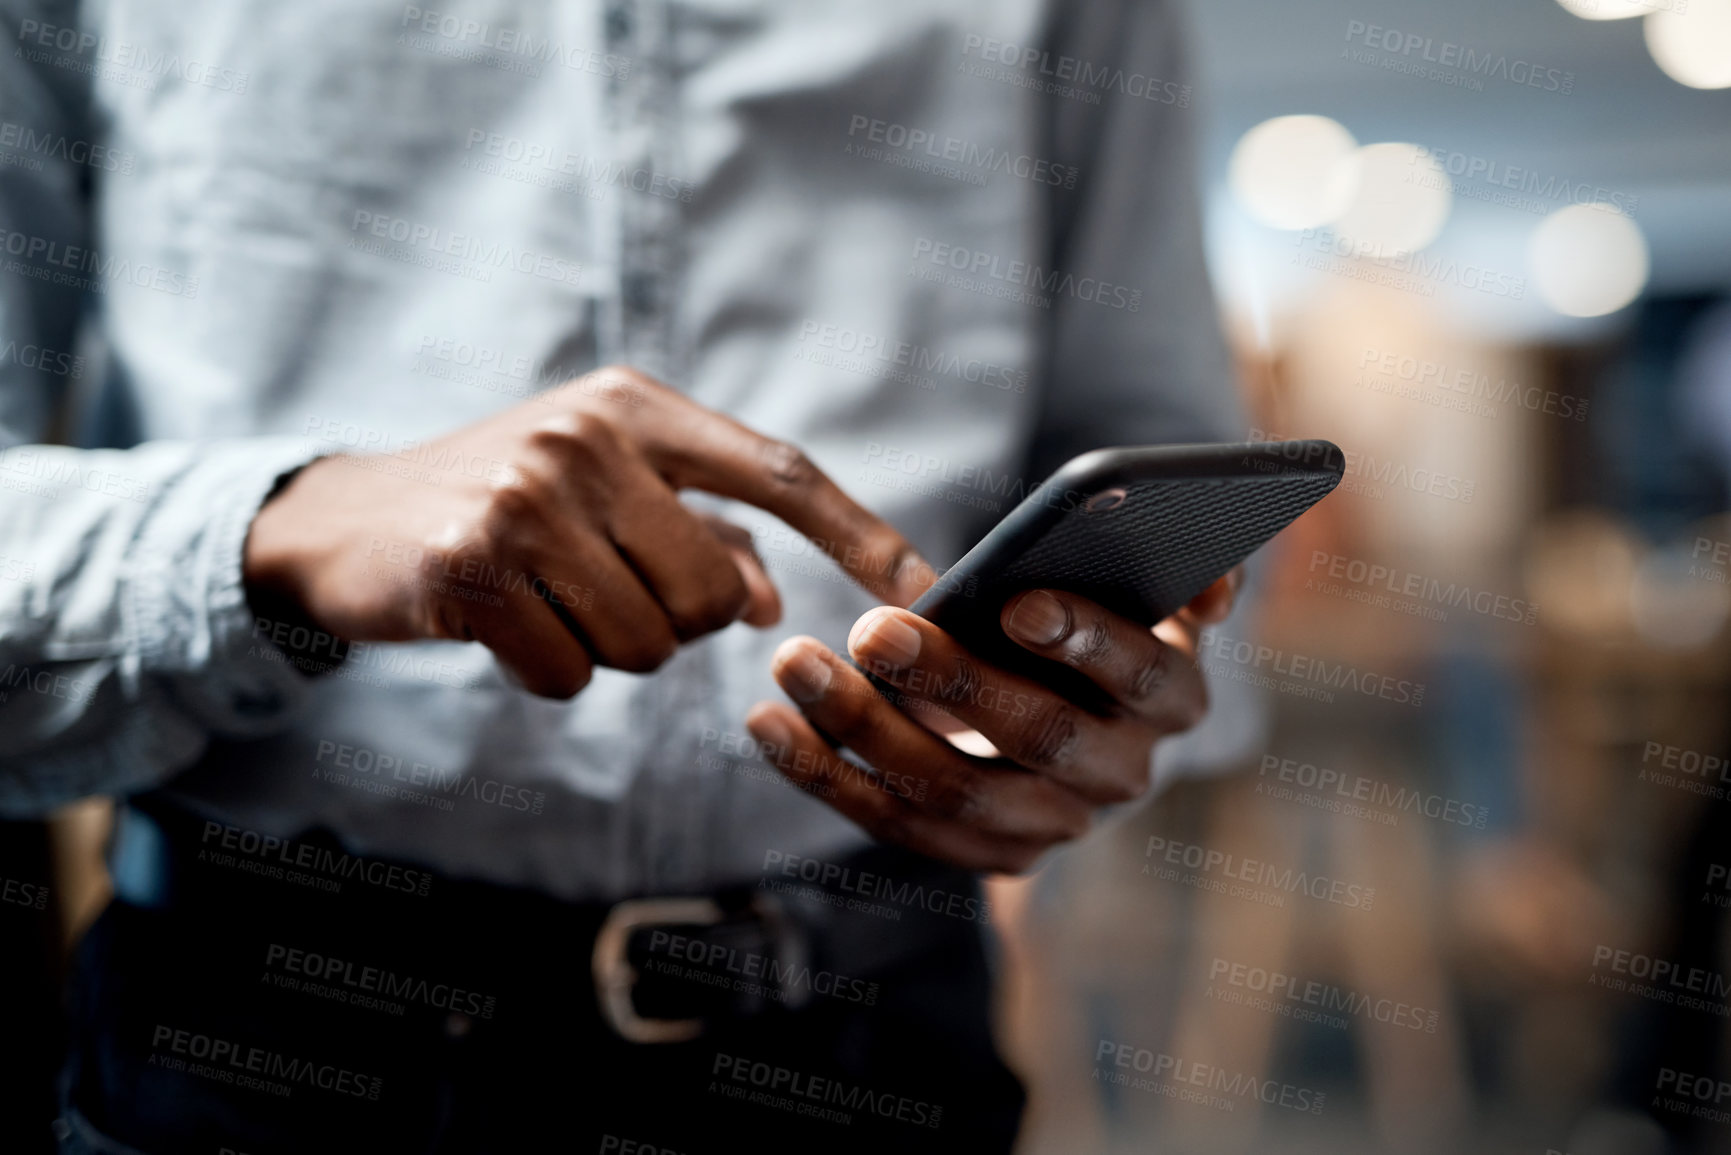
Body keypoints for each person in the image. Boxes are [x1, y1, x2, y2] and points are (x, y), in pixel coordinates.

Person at [0, 1, 1245, 1150]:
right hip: (263, 1044)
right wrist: (278, 527)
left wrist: (1075, 703)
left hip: (880, 1027)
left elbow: (1149, 464)